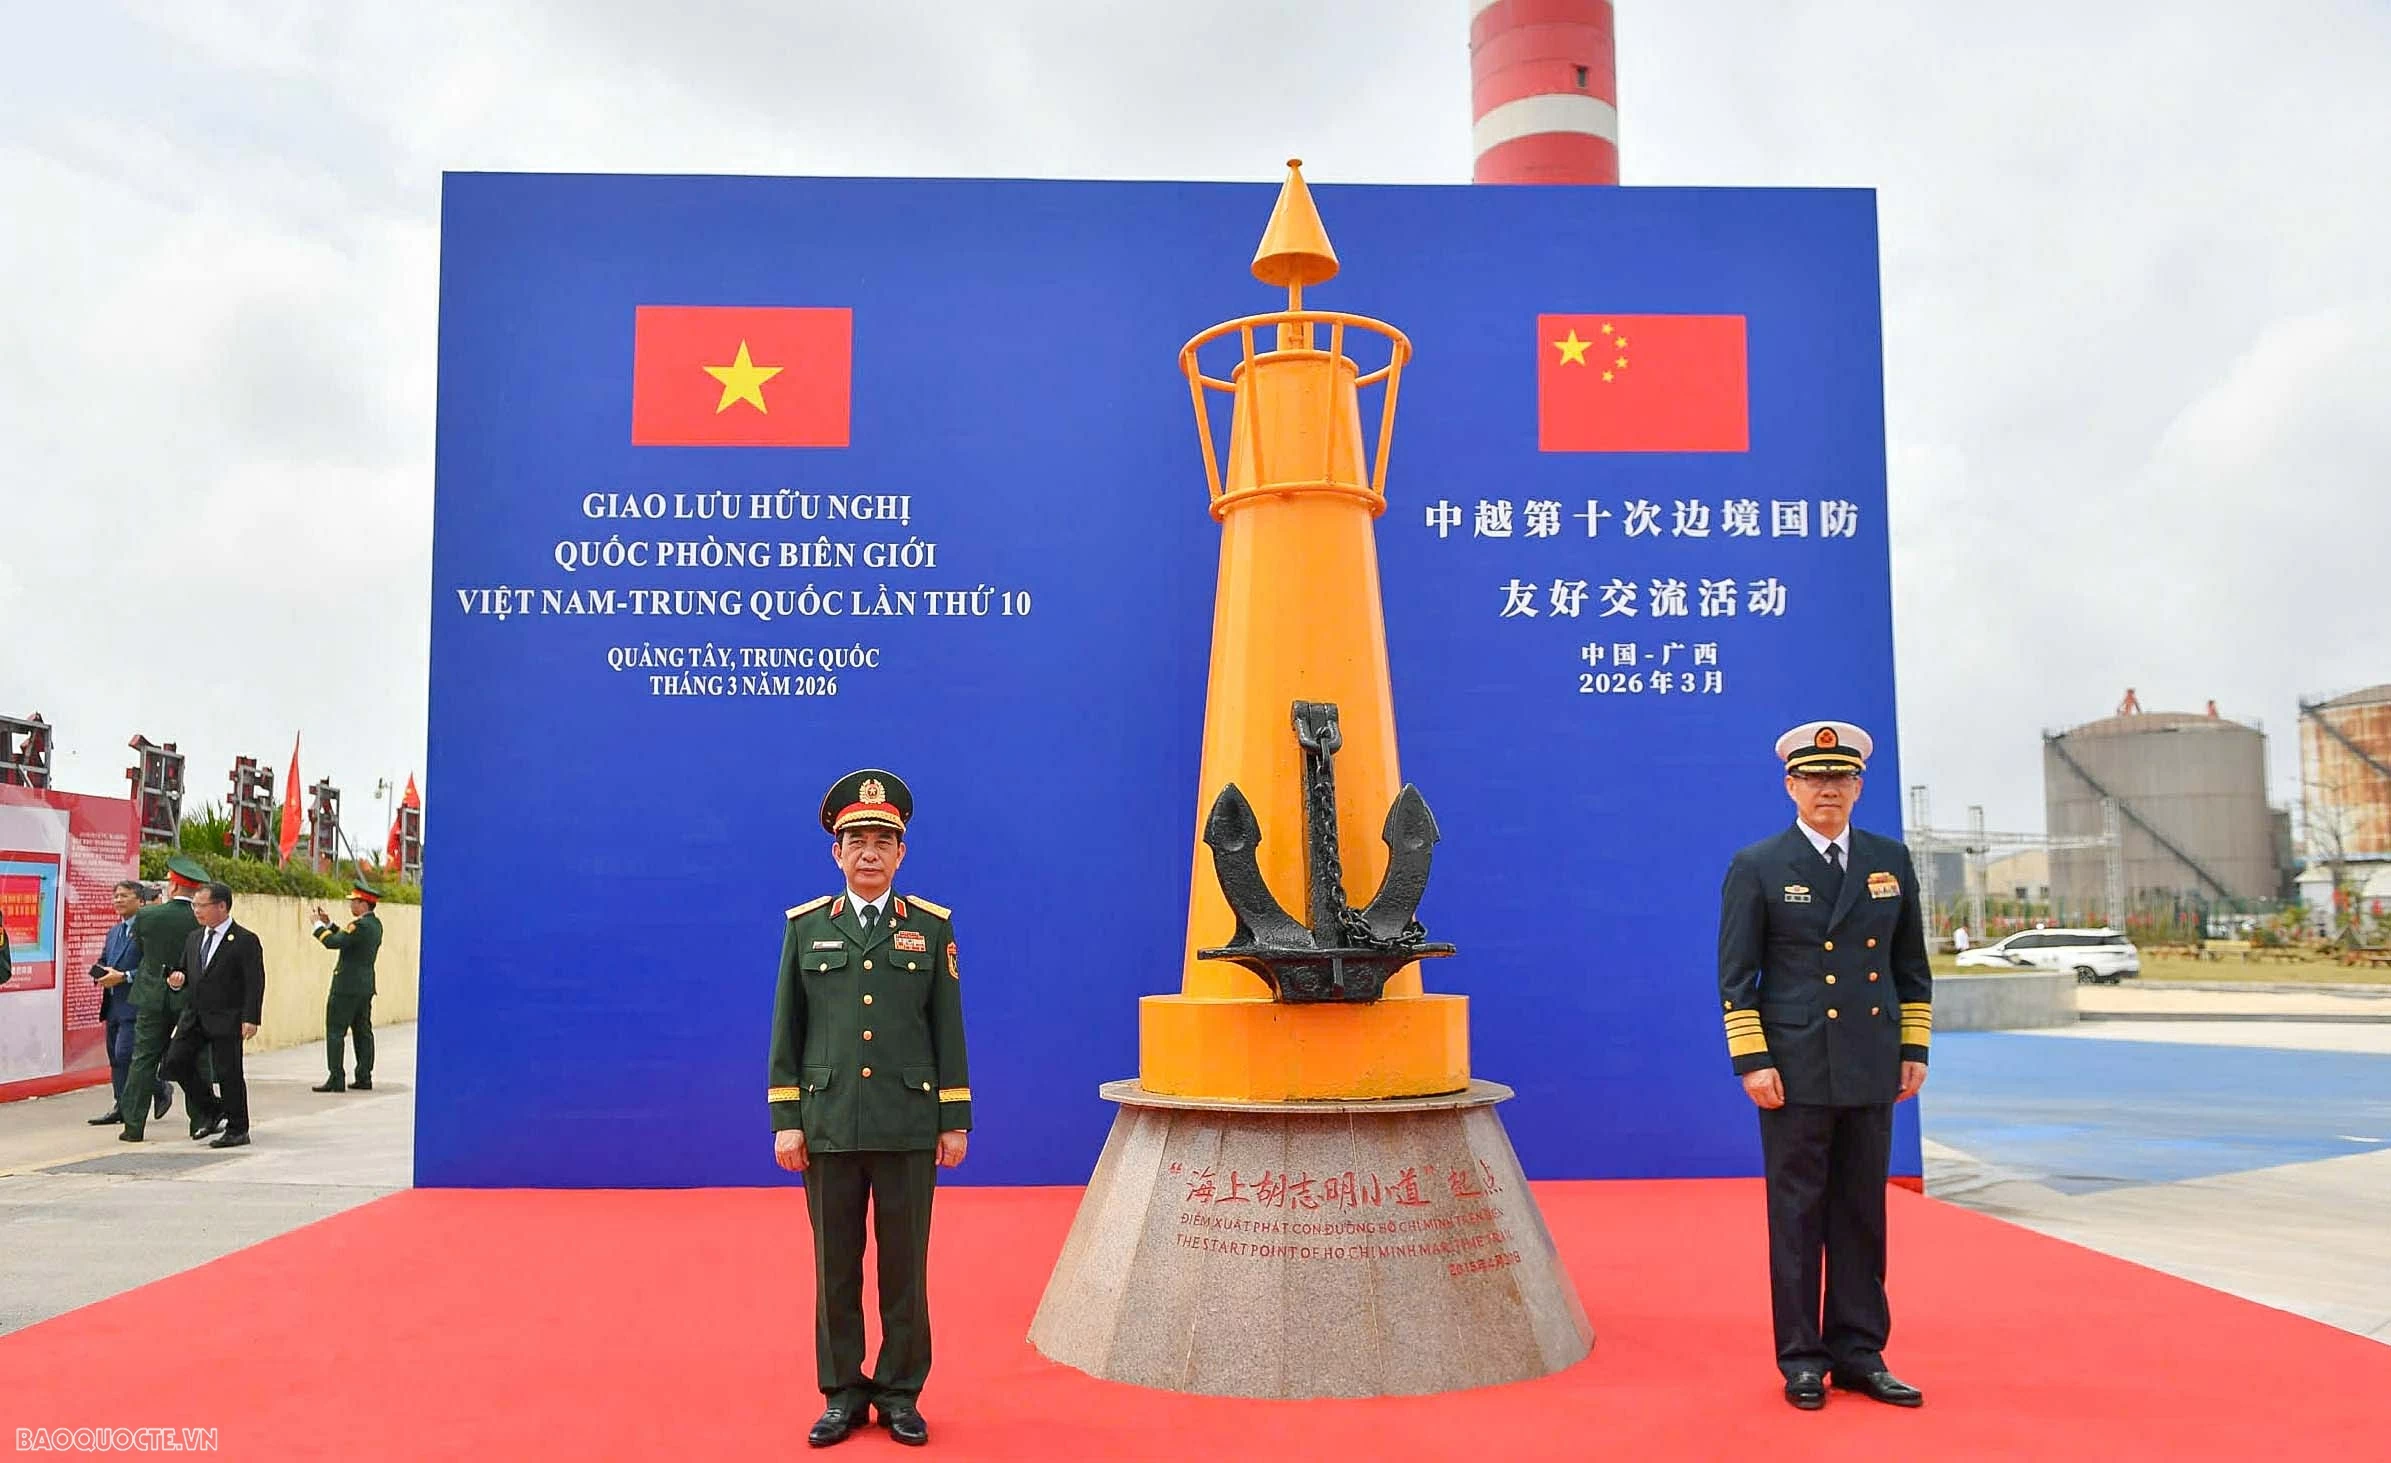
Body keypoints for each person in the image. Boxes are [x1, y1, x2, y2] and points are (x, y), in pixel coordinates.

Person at [1716, 721, 1932, 1411]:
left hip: (1871, 1063)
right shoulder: (1758, 864)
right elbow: (1735, 973)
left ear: (1858, 785)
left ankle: (1861, 1353)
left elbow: (1910, 967)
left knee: (1862, 1214)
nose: (1827, 789)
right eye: (1813, 777)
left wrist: (1912, 1048)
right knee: (1798, 1215)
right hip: (1796, 1066)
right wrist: (1752, 1058)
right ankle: (1802, 1357)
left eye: (1840, 778)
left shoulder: (1888, 859)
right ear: (1790, 785)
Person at [769, 769, 971, 1449]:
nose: (869, 851)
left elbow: (948, 1029)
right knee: (835, 1267)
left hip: (907, 1124)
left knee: (904, 1268)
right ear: (836, 850)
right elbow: (785, 1032)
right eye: (856, 838)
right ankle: (842, 1393)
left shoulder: (930, 926)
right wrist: (786, 1119)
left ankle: (900, 1392)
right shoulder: (804, 929)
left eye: (883, 839)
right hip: (826, 1123)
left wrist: (953, 1117)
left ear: (901, 852)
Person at [158, 882, 266, 1149]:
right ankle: (212, 1108)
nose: (197, 911)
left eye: (202, 905)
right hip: (195, 1014)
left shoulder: (244, 940)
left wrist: (251, 1017)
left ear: (222, 906)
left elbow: (255, 981)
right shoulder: (195, 938)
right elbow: (185, 970)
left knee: (229, 1072)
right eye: (194, 905)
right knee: (174, 1062)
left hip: (227, 1015)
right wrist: (176, 979)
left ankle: (238, 1128)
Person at [118, 856, 210, 1141]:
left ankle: (133, 1126)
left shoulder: (147, 916)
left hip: (152, 995)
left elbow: (143, 948)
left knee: (143, 1059)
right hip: (190, 999)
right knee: (194, 1059)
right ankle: (199, 1122)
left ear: (173, 885)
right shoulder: (201, 919)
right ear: (195, 890)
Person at [87, 880, 156, 1124]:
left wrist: (125, 977)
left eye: (124, 896)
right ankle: (121, 1104)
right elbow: (105, 959)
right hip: (113, 1004)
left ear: (140, 900)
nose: (118, 900)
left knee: (125, 1054)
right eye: (115, 896)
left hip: (135, 1004)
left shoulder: (148, 930)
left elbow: (153, 968)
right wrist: (99, 973)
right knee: (115, 1058)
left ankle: (156, 1088)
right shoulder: (114, 931)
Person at [309, 880, 384, 1092]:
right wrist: (329, 923)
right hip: (365, 986)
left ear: (363, 904)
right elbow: (347, 939)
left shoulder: (358, 926)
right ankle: (364, 1075)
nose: (351, 906)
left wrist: (317, 925)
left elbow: (333, 942)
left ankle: (336, 1077)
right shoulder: (374, 925)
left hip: (345, 986)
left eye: (354, 902)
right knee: (362, 1031)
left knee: (335, 1030)